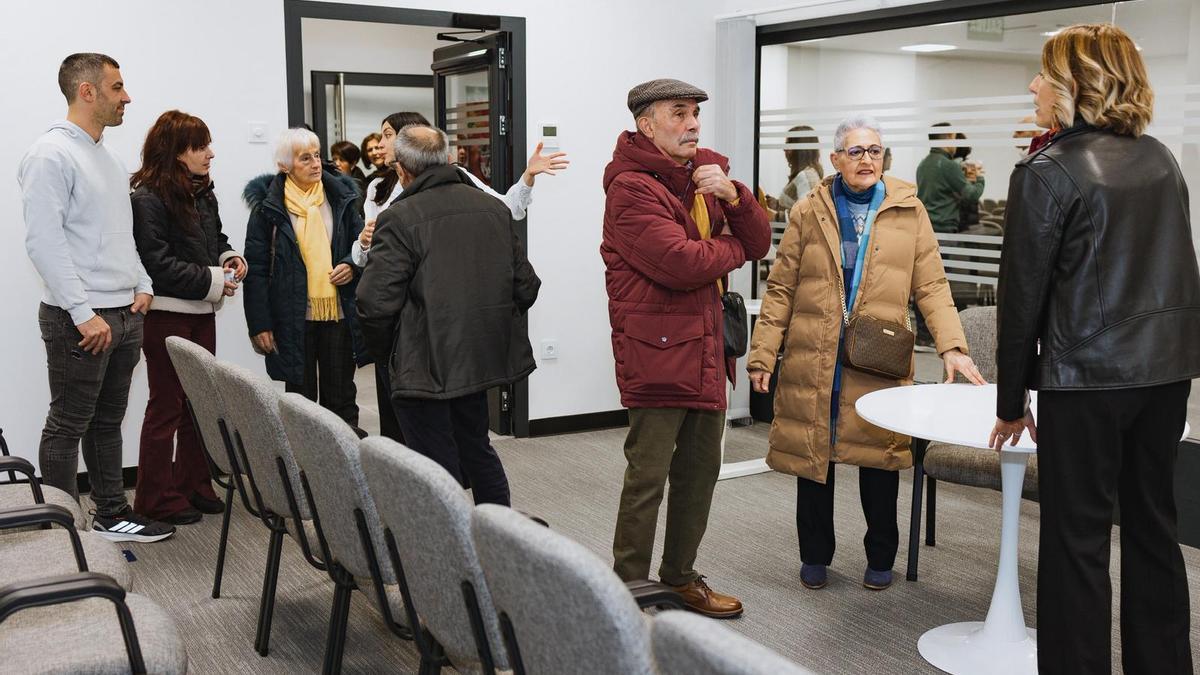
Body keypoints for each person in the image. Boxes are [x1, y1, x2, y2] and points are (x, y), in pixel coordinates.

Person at [990, 24, 1199, 674]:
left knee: (1075, 546)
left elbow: (1020, 300)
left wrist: (1009, 399)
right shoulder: (1162, 157)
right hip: (1165, 380)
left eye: (1042, 74)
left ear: (1075, 84)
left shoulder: (1046, 170)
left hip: (1083, 385)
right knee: (1154, 533)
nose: (1032, 85)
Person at [747, 115, 985, 593]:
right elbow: (781, 289)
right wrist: (762, 353)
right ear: (835, 159)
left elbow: (932, 285)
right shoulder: (808, 210)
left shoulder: (908, 209)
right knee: (815, 458)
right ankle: (815, 556)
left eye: (875, 150)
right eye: (856, 151)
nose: (867, 159)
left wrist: (953, 347)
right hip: (816, 354)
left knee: (879, 459)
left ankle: (881, 558)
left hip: (878, 356)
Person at [602, 78, 770, 618]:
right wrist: (730, 246)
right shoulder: (629, 189)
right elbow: (681, 264)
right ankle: (625, 591)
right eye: (679, 113)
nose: (693, 123)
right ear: (647, 124)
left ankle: (678, 578)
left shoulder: (709, 176)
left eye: (696, 112)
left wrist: (735, 198)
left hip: (705, 349)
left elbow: (760, 242)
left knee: (699, 475)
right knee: (648, 477)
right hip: (655, 352)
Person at [19, 53, 175, 543]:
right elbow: (45, 243)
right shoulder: (51, 154)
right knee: (68, 424)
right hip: (79, 319)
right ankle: (59, 530)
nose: (127, 97)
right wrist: (83, 313)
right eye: (117, 87)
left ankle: (111, 514)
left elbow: (117, 234)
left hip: (124, 312)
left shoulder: (107, 157)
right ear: (87, 92)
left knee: (106, 423)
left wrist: (144, 282)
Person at [356, 125, 539, 506]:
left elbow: (375, 303)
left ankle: (448, 555)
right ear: (448, 159)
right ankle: (500, 541)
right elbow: (526, 287)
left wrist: (387, 353)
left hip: (422, 364)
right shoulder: (493, 209)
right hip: (478, 358)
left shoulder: (399, 217)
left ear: (403, 170)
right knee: (477, 447)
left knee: (433, 465)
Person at [362, 111, 569, 443]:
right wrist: (361, 244)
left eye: (387, 134)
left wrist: (528, 177)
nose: (380, 143)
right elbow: (370, 267)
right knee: (409, 433)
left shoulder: (458, 183)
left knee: (445, 440)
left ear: (406, 149)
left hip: (435, 332)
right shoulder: (376, 189)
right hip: (404, 332)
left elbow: (506, 209)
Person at [130, 110, 246, 524]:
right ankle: (154, 498)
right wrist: (214, 278)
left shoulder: (203, 191)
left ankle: (193, 484)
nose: (210, 153)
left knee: (201, 403)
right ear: (176, 151)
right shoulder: (146, 197)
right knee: (167, 407)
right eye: (200, 146)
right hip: (166, 317)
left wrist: (229, 257)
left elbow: (215, 240)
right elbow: (156, 264)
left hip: (200, 312)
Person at [242, 127, 369, 435]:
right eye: (304, 158)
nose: (315, 163)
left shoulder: (342, 196)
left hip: (337, 311)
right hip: (291, 315)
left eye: (316, 155)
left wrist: (351, 265)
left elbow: (363, 246)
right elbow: (256, 268)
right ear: (285, 166)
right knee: (300, 400)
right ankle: (304, 473)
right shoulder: (268, 207)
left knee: (340, 396)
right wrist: (259, 324)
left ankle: (345, 469)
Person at [916, 122, 985, 233]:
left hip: (925, 228)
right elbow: (972, 195)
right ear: (948, 137)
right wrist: (979, 177)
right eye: (954, 138)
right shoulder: (948, 165)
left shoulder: (922, 164)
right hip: (944, 230)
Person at [765, 125, 823, 222]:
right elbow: (796, 206)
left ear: (801, 150)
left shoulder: (807, 176)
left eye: (788, 145)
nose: (784, 149)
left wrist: (775, 216)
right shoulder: (804, 174)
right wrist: (777, 205)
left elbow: (808, 215)